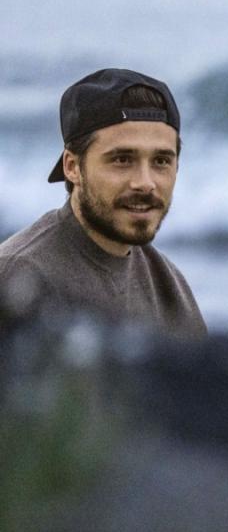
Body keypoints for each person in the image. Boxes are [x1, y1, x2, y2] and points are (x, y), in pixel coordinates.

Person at [0, 68, 206, 338]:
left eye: (161, 161)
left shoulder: (168, 285)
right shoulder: (17, 277)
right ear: (72, 167)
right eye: (122, 159)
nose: (145, 182)